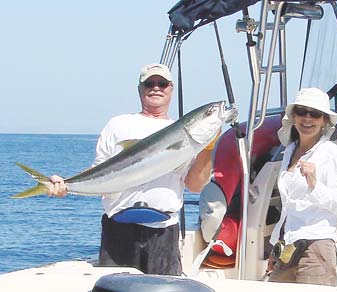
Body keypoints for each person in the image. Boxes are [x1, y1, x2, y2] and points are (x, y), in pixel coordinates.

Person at [47, 63, 219, 275]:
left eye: (162, 84)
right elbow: (100, 172)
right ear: (140, 89)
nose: (156, 88)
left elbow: (194, 185)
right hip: (118, 230)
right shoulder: (118, 124)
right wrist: (66, 185)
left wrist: (208, 149)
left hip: (162, 232)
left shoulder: (186, 138)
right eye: (149, 83)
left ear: (171, 89)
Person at [267, 88, 337, 286]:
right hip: (287, 246)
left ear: (324, 121)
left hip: (317, 247)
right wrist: (275, 247)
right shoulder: (289, 151)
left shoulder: (331, 153)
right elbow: (288, 209)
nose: (307, 118)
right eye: (302, 111)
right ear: (293, 116)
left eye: (315, 114)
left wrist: (314, 185)